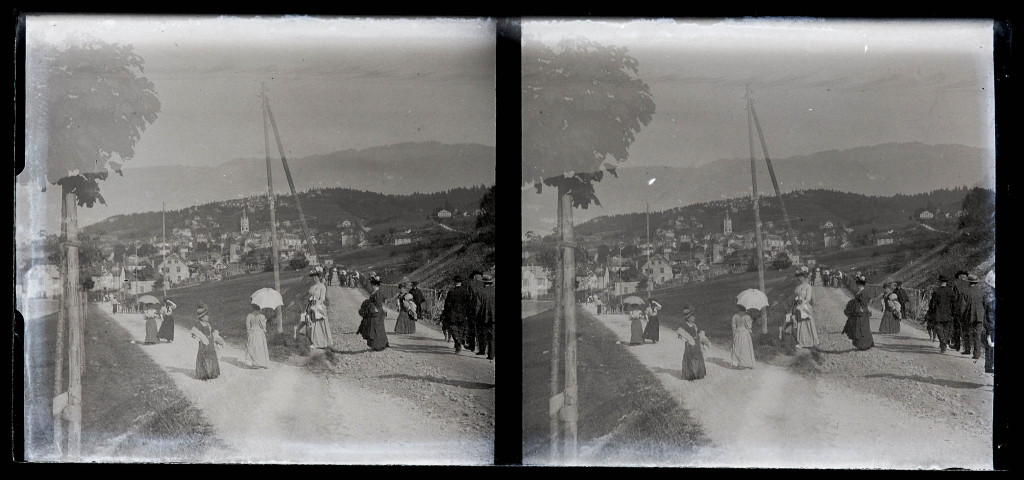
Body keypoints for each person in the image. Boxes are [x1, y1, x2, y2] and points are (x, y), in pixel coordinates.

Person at [440, 275, 475, 353]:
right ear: (461, 282)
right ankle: (461, 340)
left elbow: (447, 304)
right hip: (463, 314)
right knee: (461, 329)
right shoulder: (466, 292)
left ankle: (458, 343)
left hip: (453, 314)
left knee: (453, 329)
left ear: (454, 282)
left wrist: (445, 313)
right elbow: (469, 304)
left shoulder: (451, 292)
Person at [191, 303, 224, 380]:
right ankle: (204, 374)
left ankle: (213, 372)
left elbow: (212, 333)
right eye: (206, 316)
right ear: (202, 317)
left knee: (212, 356)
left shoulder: (209, 324)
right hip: (204, 344)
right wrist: (201, 338)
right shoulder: (199, 324)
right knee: (204, 357)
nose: (208, 317)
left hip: (211, 343)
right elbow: (194, 333)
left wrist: (217, 338)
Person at [676, 304, 710, 380]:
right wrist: (685, 339)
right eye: (692, 317)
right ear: (688, 318)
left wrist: (702, 337)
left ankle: (698, 373)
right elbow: (680, 334)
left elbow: (697, 333)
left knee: (698, 357)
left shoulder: (694, 325)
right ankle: (690, 374)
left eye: (694, 316)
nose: (694, 318)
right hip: (690, 345)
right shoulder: (685, 326)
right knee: (690, 358)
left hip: (696, 344)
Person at [925, 274, 957, 353]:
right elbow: (954, 304)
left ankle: (943, 343)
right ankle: (945, 342)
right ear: (946, 282)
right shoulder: (951, 292)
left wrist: (931, 311)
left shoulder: (937, 291)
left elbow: (932, 304)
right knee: (946, 330)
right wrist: (953, 313)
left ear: (939, 281)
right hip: (948, 314)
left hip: (938, 314)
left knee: (938, 329)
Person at [962, 274, 990, 362]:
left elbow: (963, 306)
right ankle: (977, 354)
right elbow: (986, 305)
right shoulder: (982, 293)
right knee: (977, 335)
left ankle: (967, 350)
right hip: (979, 317)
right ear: (976, 282)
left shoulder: (965, 292)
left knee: (967, 333)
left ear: (968, 283)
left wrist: (961, 315)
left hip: (968, 316)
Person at [357, 275, 389, 351]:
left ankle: (379, 345)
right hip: (376, 311)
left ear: (375, 285)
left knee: (376, 328)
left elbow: (378, 302)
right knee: (376, 327)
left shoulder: (377, 293)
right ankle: (378, 344)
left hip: (376, 311)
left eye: (373, 285)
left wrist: (375, 308)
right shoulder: (376, 292)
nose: (372, 286)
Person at [843, 275, 874, 350]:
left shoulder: (864, 292)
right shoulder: (860, 291)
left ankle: (864, 345)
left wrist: (862, 308)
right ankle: (863, 344)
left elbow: (865, 302)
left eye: (858, 284)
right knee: (860, 327)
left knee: (862, 328)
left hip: (861, 311)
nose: (857, 286)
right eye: (857, 284)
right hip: (859, 310)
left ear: (861, 285)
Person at [306, 273, 333, 349]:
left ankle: (321, 342)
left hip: (318, 306)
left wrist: (316, 305)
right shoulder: (312, 286)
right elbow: (311, 295)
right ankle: (314, 340)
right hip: (312, 306)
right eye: (313, 277)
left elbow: (322, 298)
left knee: (319, 324)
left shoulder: (322, 286)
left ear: (319, 278)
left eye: (315, 277)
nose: (314, 279)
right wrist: (311, 300)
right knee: (313, 323)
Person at [476, 273, 496, 360]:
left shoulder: (480, 292)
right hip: (494, 317)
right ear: (491, 282)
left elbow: (478, 306)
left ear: (483, 283)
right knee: (492, 335)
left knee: (482, 334)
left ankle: (482, 350)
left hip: (483, 317)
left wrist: (476, 316)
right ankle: (491, 355)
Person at [244, 304, 270, 368]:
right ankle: (260, 363)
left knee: (253, 347)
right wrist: (265, 321)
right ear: (260, 308)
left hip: (252, 332)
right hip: (259, 333)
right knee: (260, 347)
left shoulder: (249, 315)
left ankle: (253, 362)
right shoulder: (261, 316)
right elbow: (262, 326)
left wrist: (249, 333)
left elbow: (248, 326)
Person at [950, 270, 970, 353]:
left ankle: (957, 346)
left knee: (957, 328)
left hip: (959, 310)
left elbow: (954, 299)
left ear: (960, 277)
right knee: (966, 329)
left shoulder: (957, 285)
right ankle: (967, 348)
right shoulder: (971, 285)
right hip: (968, 310)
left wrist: (952, 310)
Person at [731, 304, 756, 368]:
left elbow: (733, 327)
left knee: (739, 348)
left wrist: (734, 335)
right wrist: (751, 322)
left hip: (738, 333)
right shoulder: (747, 316)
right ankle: (747, 363)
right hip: (745, 333)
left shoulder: (735, 316)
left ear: (738, 308)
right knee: (746, 348)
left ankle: (740, 363)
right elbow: (749, 327)